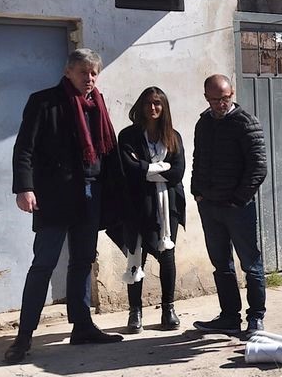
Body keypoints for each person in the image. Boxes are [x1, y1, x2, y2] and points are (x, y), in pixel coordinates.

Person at [4, 48, 125, 364]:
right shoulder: (44, 102)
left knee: (83, 261)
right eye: (84, 73)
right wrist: (24, 188)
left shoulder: (96, 105)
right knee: (43, 263)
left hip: (91, 194)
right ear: (68, 72)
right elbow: (24, 149)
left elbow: (106, 151)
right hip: (56, 197)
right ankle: (24, 337)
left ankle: (82, 326)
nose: (90, 79)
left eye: (94, 73)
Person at [191, 74, 269, 336]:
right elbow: (198, 158)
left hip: (238, 208)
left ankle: (256, 317)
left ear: (232, 93)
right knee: (221, 265)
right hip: (210, 207)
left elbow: (258, 167)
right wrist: (197, 190)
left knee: (250, 263)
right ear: (206, 98)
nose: (219, 104)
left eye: (224, 98)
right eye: (214, 100)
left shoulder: (246, 123)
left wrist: (238, 199)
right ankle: (228, 317)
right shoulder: (203, 124)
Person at [115, 87, 186, 333]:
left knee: (167, 258)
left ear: (164, 107)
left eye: (157, 103)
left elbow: (177, 173)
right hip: (136, 205)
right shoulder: (128, 136)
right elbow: (129, 168)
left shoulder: (173, 137)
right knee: (136, 256)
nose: (153, 108)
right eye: (148, 103)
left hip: (168, 209)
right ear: (141, 106)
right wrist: (158, 169)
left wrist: (145, 168)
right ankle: (135, 313)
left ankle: (168, 309)